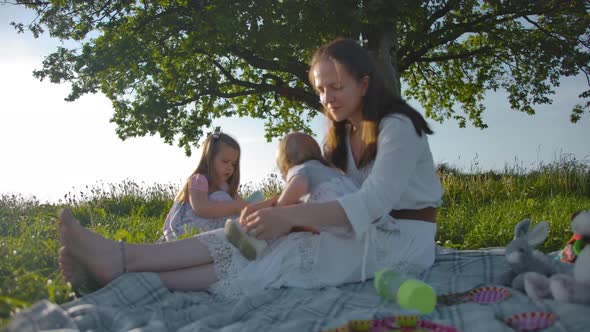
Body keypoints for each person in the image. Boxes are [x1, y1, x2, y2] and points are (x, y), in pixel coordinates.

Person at [57, 38, 443, 297]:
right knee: (249, 235)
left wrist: (290, 217)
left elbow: (372, 203)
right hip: (365, 231)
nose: (327, 98)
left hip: (404, 241)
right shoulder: (341, 138)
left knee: (279, 253)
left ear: (364, 83)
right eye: (321, 90)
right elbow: (336, 195)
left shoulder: (398, 127)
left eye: (336, 87)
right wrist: (281, 213)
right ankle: (123, 258)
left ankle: (134, 279)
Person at [224, 131, 359, 260]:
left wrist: (278, 208)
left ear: (287, 163)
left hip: (333, 223)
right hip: (350, 222)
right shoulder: (331, 171)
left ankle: (252, 238)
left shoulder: (300, 169)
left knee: (278, 221)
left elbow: (299, 184)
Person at [160, 131, 247, 241]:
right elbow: (201, 208)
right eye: (225, 161)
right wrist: (234, 207)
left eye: (233, 164)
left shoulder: (225, 186)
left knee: (236, 206)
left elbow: (243, 206)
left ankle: (239, 235)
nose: (230, 167)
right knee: (221, 198)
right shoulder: (199, 180)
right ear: (209, 159)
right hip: (186, 228)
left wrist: (262, 208)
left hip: (212, 228)